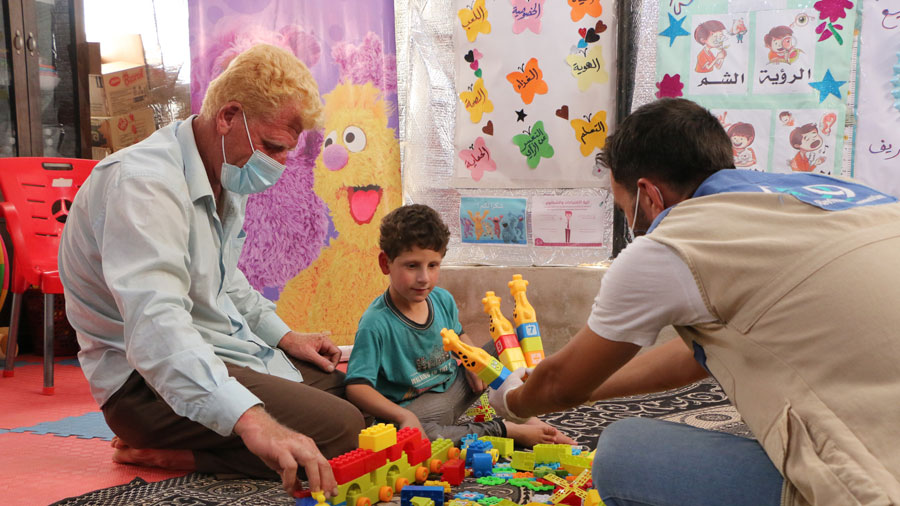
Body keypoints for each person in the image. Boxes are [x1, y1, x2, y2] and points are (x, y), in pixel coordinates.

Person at [488, 98, 900, 505]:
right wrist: (588, 387)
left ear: (649, 194)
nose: (630, 221)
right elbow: (694, 357)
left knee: (624, 451)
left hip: (878, 483)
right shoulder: (839, 195)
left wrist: (512, 399)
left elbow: (560, 385)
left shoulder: (676, 242)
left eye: (624, 208)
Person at [58, 44, 365, 496]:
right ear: (228, 116)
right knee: (346, 433)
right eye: (274, 146)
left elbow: (225, 281)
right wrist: (253, 420)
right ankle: (184, 456)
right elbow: (157, 331)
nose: (279, 163)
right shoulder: (143, 185)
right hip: (143, 384)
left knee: (353, 392)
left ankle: (214, 443)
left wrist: (284, 337)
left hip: (213, 349)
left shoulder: (224, 168)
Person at [344, 204, 574, 446]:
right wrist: (405, 415)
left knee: (511, 340)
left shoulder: (442, 299)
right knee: (416, 434)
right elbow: (356, 386)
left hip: (457, 387)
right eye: (412, 266)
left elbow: (459, 334)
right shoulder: (375, 323)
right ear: (385, 263)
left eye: (433, 265)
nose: (424, 278)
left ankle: (525, 416)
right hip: (420, 410)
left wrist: (470, 362)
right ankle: (506, 429)